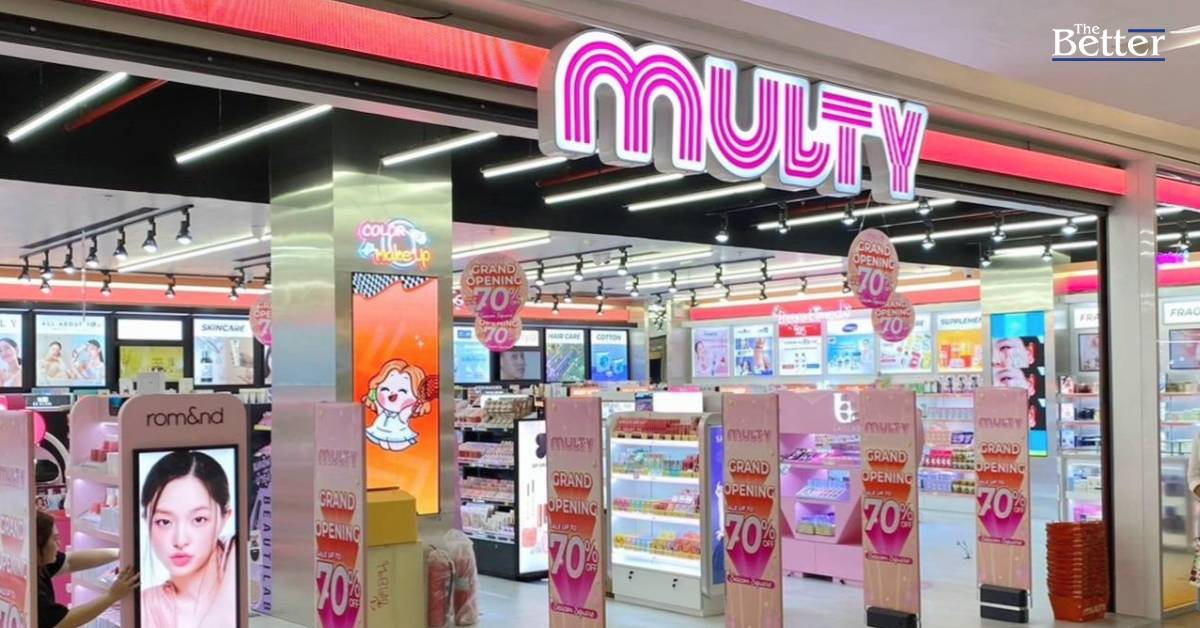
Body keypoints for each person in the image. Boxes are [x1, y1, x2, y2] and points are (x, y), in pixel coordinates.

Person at [140, 450, 237, 628]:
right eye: (164, 522)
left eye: (199, 520)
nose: (180, 540)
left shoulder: (237, 555)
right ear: (147, 521)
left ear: (225, 517)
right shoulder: (146, 607)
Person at [36, 510, 138, 628]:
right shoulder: (36, 589)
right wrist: (112, 595)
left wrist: (121, 553)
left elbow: (70, 561)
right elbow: (62, 622)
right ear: (38, 544)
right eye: (54, 539)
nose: (59, 544)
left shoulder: (37, 564)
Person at [362, 359, 439, 452]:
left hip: (398, 435)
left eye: (403, 391)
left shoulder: (404, 413)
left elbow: (410, 410)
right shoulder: (381, 409)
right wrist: (371, 395)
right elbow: (374, 399)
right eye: (385, 389)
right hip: (378, 432)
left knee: (395, 446)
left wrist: (419, 403)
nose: (391, 395)